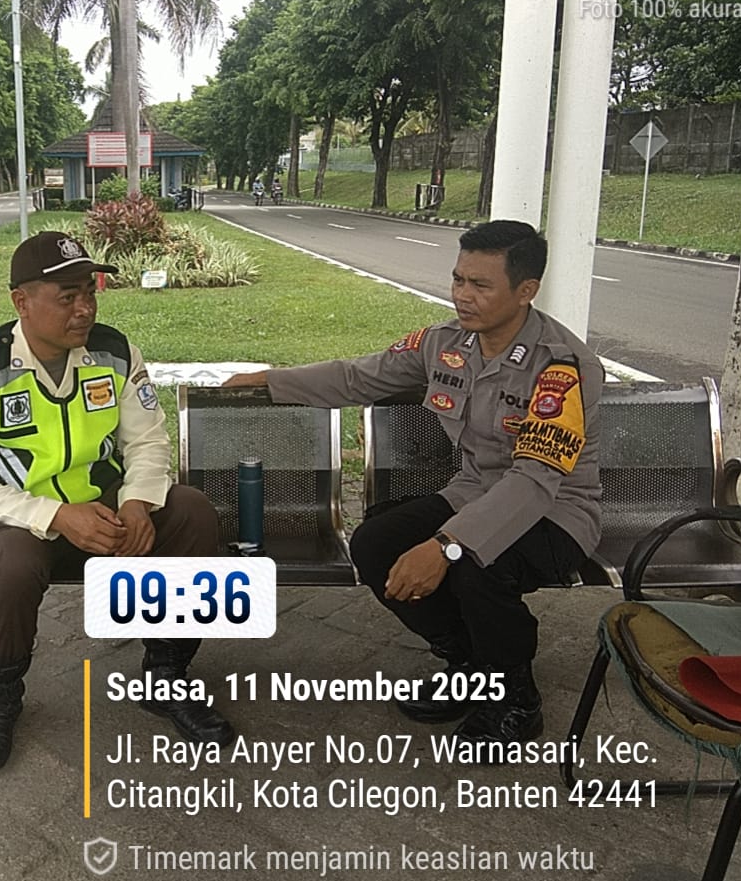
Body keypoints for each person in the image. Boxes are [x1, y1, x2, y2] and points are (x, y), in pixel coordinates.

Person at [222, 220, 603, 745]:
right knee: (375, 543)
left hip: (557, 512)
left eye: (480, 285)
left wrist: (445, 545)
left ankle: (515, 698)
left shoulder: (561, 366)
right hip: (471, 492)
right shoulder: (445, 344)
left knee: (477, 564)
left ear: (526, 291)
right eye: (458, 279)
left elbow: (534, 481)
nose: (462, 296)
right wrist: (271, 380)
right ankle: (469, 662)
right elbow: (359, 377)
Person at [0, 230, 237, 771]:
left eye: (89, 293)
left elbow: (147, 441)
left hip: (108, 509)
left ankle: (167, 676)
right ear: (21, 302)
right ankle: (0, 697)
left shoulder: (114, 351)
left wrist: (138, 502)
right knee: (9, 565)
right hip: (20, 517)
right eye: (67, 297)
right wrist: (55, 515)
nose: (85, 309)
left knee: (192, 512)